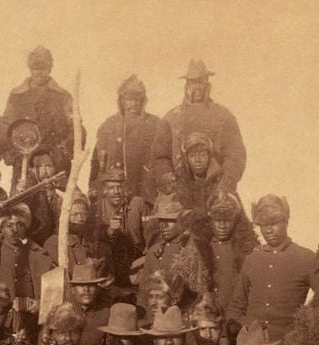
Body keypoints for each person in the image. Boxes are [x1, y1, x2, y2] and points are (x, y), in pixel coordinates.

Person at [226, 195, 319, 342]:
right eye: (263, 224)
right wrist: (235, 329)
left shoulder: (306, 258)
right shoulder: (252, 259)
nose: (268, 230)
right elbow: (237, 304)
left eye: (274, 223)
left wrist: (302, 331)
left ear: (286, 221)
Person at [151, 60, 246, 197]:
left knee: (228, 214)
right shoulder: (171, 118)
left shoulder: (223, 116)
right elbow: (160, 157)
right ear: (186, 86)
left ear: (207, 85)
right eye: (192, 83)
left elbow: (235, 154)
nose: (197, 88)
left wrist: (226, 181)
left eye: (201, 82)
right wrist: (169, 180)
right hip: (179, 189)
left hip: (217, 188)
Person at [0, 46, 81, 184]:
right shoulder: (17, 96)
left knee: (61, 202)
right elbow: (5, 126)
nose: (39, 72)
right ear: (30, 69)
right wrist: (14, 155)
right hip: (25, 163)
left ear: (50, 69)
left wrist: (60, 154)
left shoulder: (64, 97)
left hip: (55, 165)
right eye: (35, 68)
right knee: (20, 203)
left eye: (43, 68)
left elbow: (76, 130)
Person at [0, 203, 54, 338]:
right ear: (2, 228)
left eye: (20, 225)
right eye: (9, 225)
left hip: (30, 323)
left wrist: (42, 304)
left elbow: (52, 291)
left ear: (26, 227)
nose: (14, 230)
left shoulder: (39, 255)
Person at [90, 75, 162, 202]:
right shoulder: (108, 125)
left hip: (144, 189)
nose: (134, 103)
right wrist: (94, 186)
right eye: (129, 99)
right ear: (121, 101)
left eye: (137, 99)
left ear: (143, 100)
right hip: (114, 192)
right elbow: (97, 162)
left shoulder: (155, 124)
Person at [93, 166, 155, 288]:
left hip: (137, 258)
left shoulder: (138, 204)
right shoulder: (98, 209)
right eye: (111, 188)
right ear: (104, 191)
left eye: (119, 187)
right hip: (111, 262)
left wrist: (149, 250)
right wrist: (109, 230)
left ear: (125, 188)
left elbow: (151, 232)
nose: (116, 192)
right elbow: (94, 237)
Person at [207, 192, 257, 311]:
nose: (222, 226)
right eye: (217, 221)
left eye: (227, 221)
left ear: (235, 222)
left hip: (233, 316)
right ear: (211, 221)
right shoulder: (202, 248)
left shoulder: (245, 251)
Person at [43, 190, 110, 270]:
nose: (80, 218)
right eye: (75, 214)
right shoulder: (53, 243)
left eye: (83, 214)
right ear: (63, 216)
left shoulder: (90, 239)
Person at [67, 261, 112, 345]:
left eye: (91, 285)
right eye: (81, 285)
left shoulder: (106, 314)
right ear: (73, 290)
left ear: (98, 289)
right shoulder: (62, 313)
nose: (86, 289)